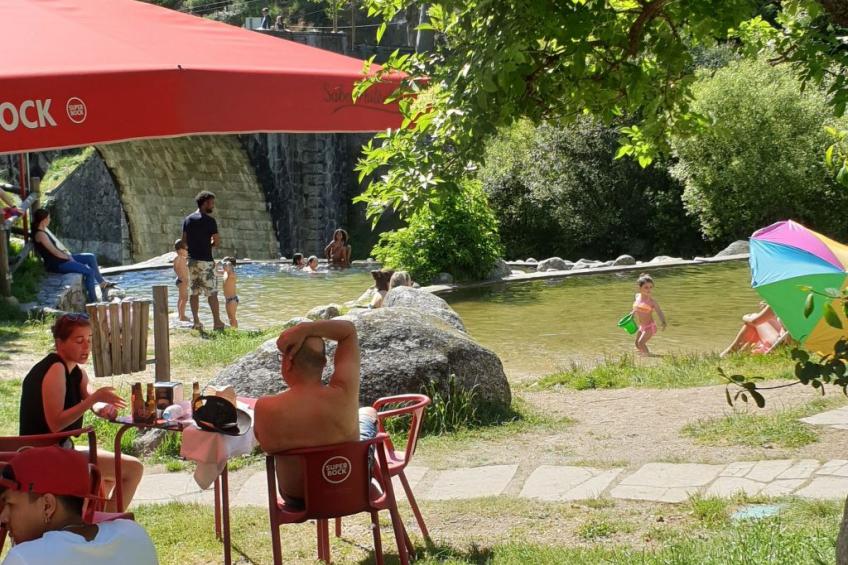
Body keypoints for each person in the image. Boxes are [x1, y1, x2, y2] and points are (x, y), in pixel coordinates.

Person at [19, 314, 143, 512]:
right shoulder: (55, 369)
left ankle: (94, 523)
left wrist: (104, 408)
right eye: (79, 341)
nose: (86, 347)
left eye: (89, 339)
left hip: (58, 450)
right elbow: (56, 424)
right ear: (60, 343)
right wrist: (93, 400)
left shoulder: (76, 371)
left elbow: (91, 396)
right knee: (134, 469)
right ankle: (102, 529)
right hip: (42, 456)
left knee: (106, 478)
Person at [253, 320, 378, 509]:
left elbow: (266, 445)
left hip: (297, 498)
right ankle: (376, 482)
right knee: (368, 412)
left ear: (288, 363)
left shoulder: (266, 408)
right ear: (324, 363)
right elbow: (348, 331)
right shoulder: (344, 392)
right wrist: (307, 329)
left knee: (363, 415)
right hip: (349, 487)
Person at [0, 446, 158, 565]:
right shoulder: (135, 534)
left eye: (10, 504)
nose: (3, 517)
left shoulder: (25, 558)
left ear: (47, 506)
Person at [30, 209, 116, 303]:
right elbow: (54, 252)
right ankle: (93, 301)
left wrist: (67, 255)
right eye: (49, 217)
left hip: (61, 259)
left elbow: (57, 249)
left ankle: (102, 283)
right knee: (90, 272)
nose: (50, 219)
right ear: (44, 220)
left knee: (90, 257)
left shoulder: (44, 231)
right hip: (56, 264)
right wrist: (68, 257)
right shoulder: (40, 234)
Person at [181, 191, 225, 331]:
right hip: (206, 261)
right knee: (212, 293)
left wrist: (193, 248)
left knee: (194, 292)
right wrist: (208, 245)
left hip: (192, 261)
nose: (213, 206)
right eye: (211, 203)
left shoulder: (188, 220)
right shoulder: (210, 221)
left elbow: (183, 242)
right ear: (205, 203)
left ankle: (196, 322)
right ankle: (217, 322)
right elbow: (217, 242)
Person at [721, 302, 787, 357]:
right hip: (790, 338)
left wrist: (745, 317)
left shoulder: (780, 300)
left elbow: (754, 321)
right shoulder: (796, 297)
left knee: (754, 319)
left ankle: (731, 351)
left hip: (783, 343)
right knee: (762, 321)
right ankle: (741, 352)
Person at [631, 272, 666, 356]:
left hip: (650, 327)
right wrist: (631, 314)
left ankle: (650, 358)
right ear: (639, 288)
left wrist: (663, 322)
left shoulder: (651, 301)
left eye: (650, 287)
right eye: (646, 287)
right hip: (642, 326)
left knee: (641, 343)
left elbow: (659, 311)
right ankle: (643, 355)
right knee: (637, 343)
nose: (649, 289)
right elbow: (636, 307)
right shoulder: (637, 296)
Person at [173, 239, 190, 322]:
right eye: (185, 249)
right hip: (182, 280)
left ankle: (180, 314)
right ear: (180, 249)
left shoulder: (182, 258)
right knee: (184, 298)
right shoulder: (179, 258)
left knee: (181, 298)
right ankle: (182, 316)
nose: (186, 250)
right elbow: (175, 268)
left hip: (182, 280)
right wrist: (180, 277)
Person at [221, 257, 239, 329]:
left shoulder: (232, 274)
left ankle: (235, 331)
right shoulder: (225, 273)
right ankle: (233, 330)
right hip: (227, 299)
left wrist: (228, 264)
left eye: (226, 264)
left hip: (232, 300)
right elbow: (216, 271)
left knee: (232, 317)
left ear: (231, 266)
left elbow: (229, 269)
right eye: (223, 264)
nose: (224, 266)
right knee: (230, 318)